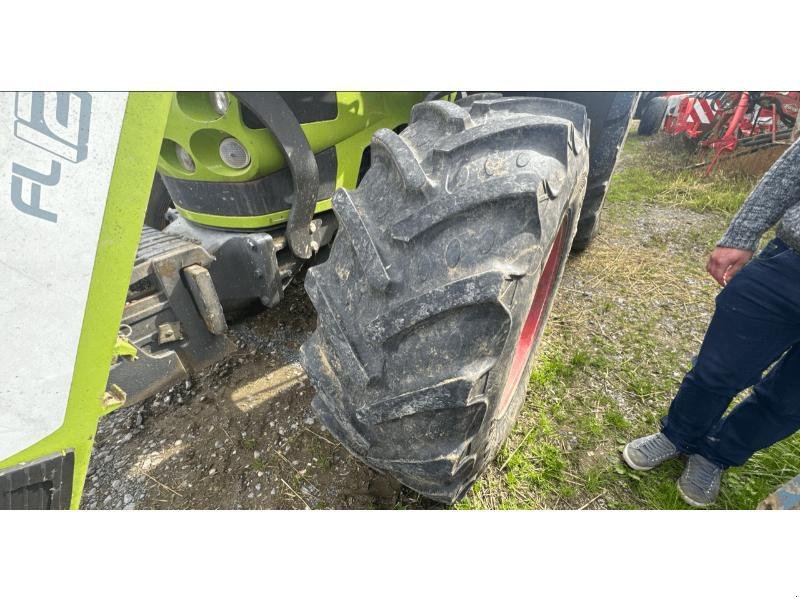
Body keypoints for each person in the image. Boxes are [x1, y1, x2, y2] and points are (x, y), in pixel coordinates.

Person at [622, 138, 800, 507]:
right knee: (718, 369)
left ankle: (717, 453)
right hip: (789, 269)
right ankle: (678, 435)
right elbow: (789, 172)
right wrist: (741, 235)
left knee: (790, 402)